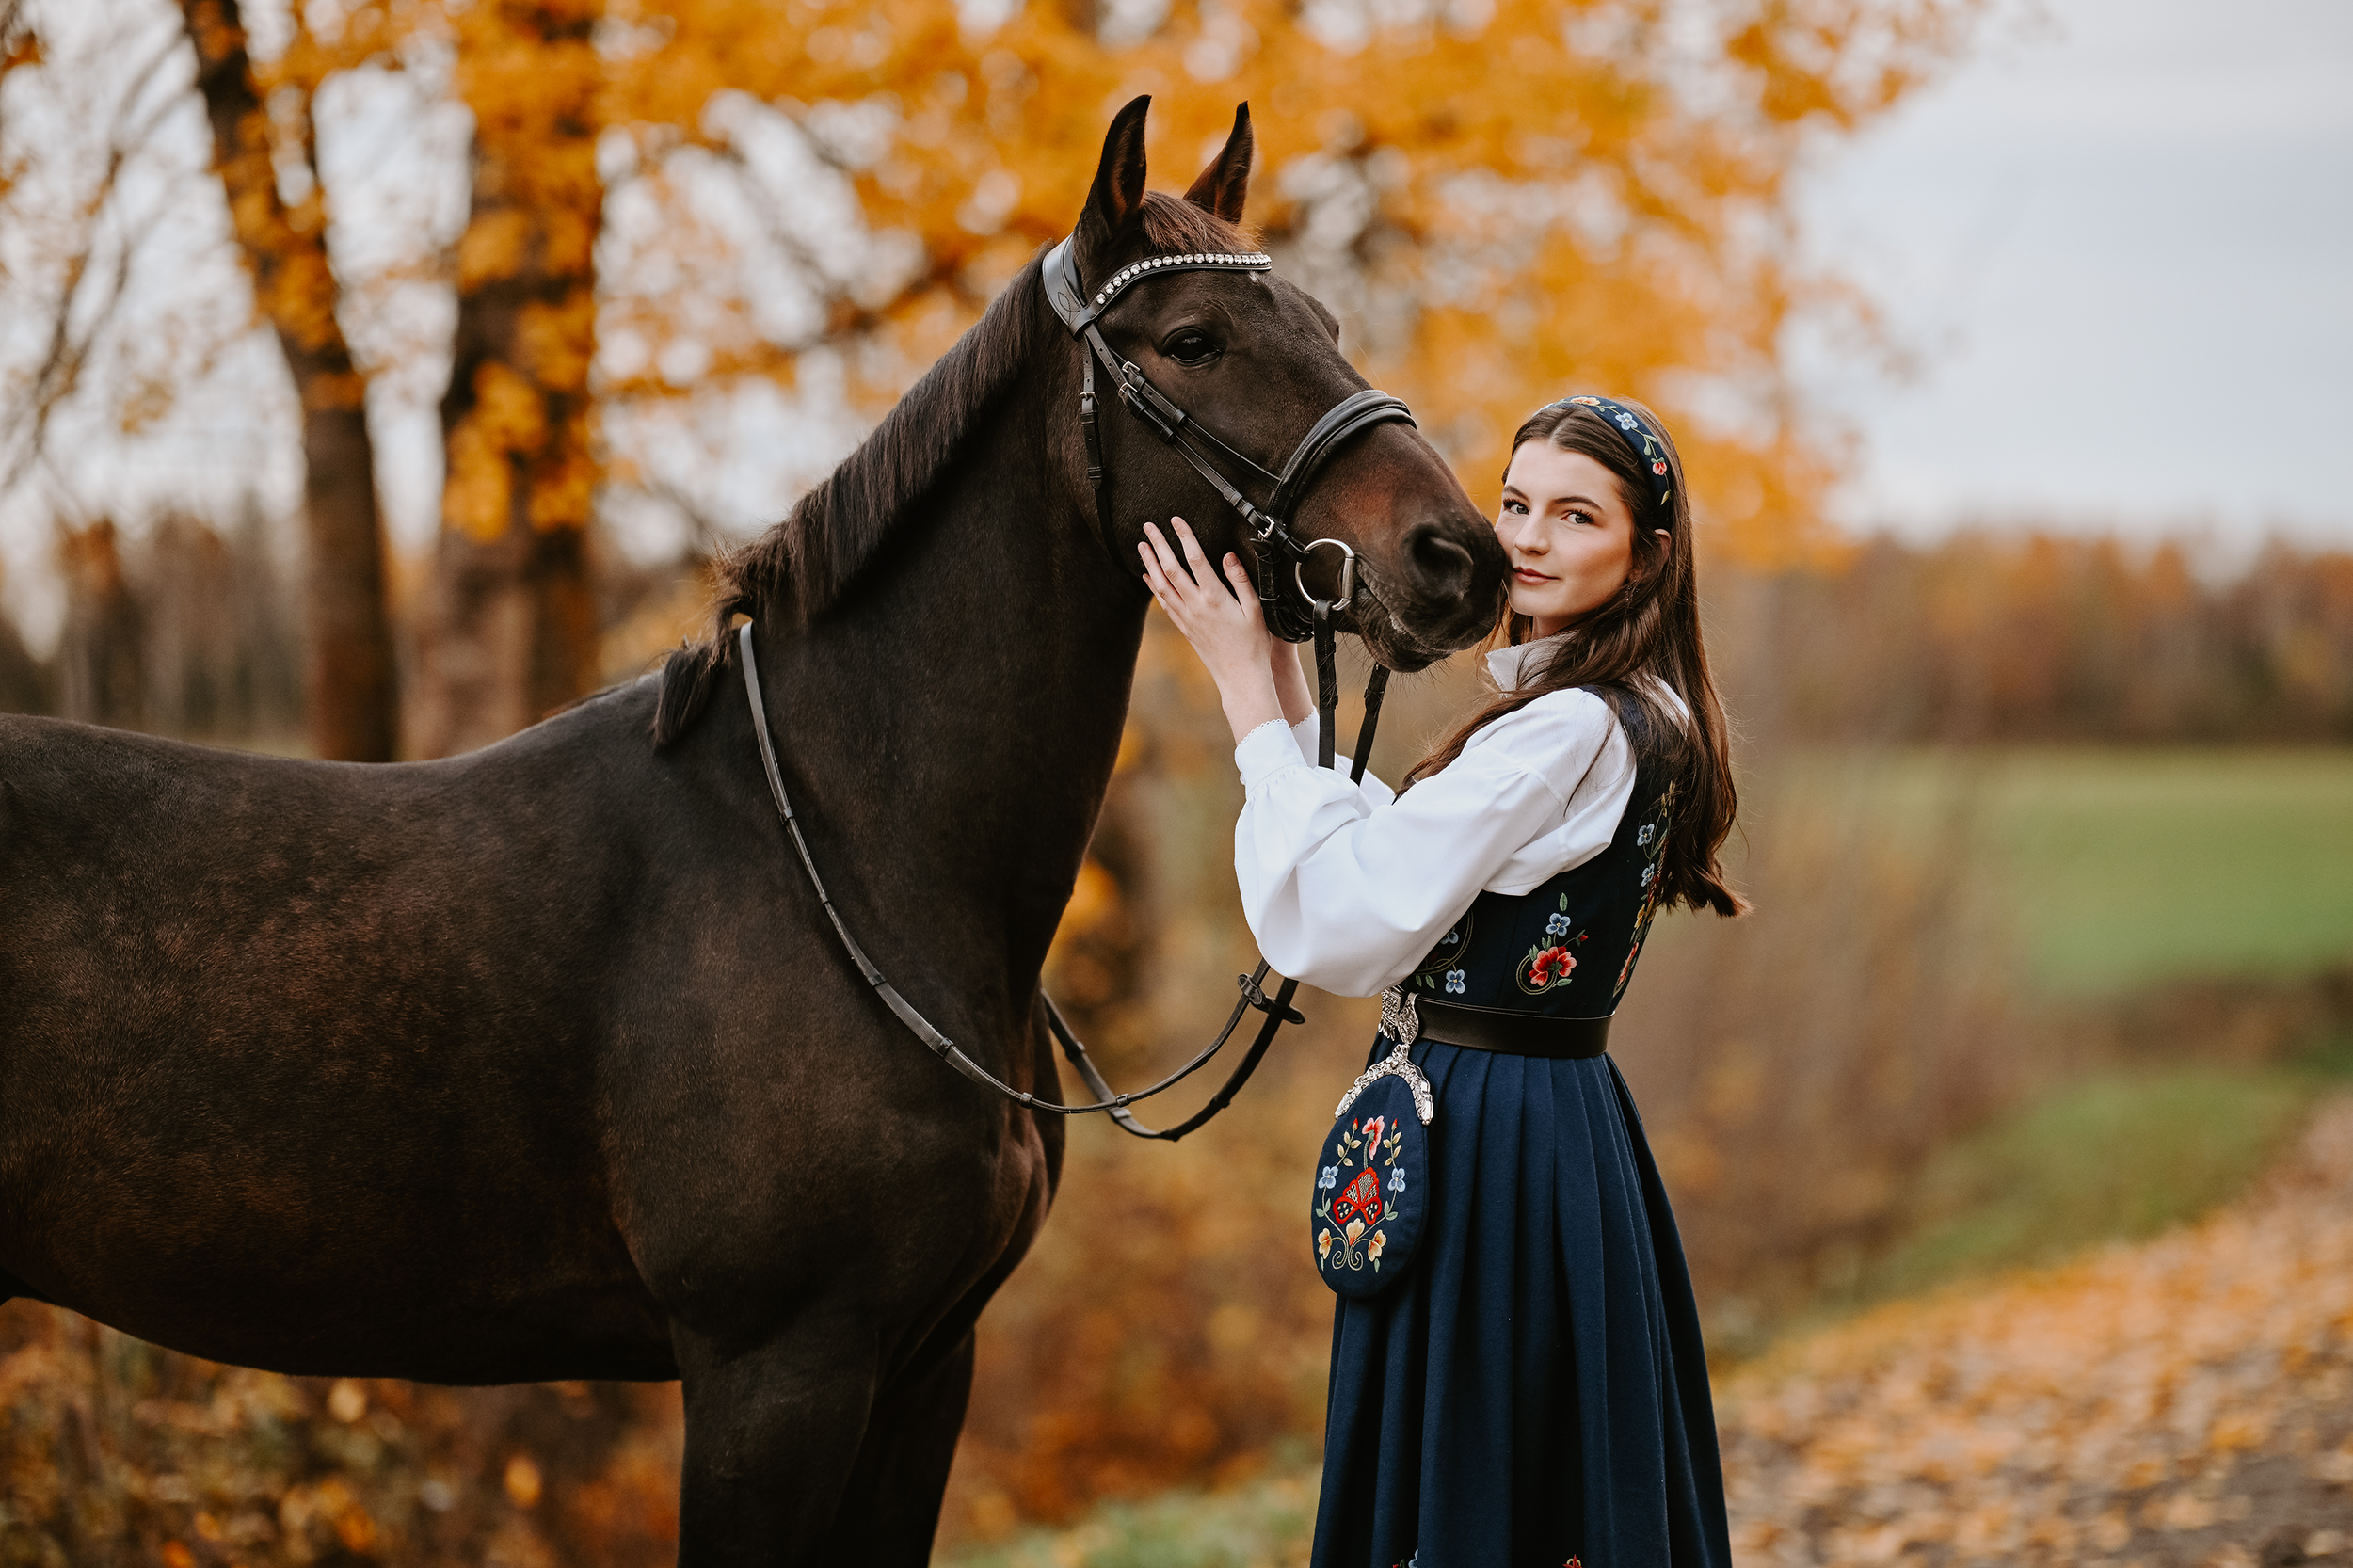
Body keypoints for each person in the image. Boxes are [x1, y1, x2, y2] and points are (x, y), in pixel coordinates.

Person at [1137, 394, 1742, 1568]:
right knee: (1524, 1463)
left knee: (1470, 1465)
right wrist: (1282, 685)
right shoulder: (1631, 710)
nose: (1525, 537)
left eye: (1574, 515)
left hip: (1493, 1140)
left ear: (1646, 553)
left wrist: (1244, 697)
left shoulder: (1562, 728)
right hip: (1555, 1125)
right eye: (1515, 503)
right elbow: (1417, 860)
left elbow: (1357, 914)